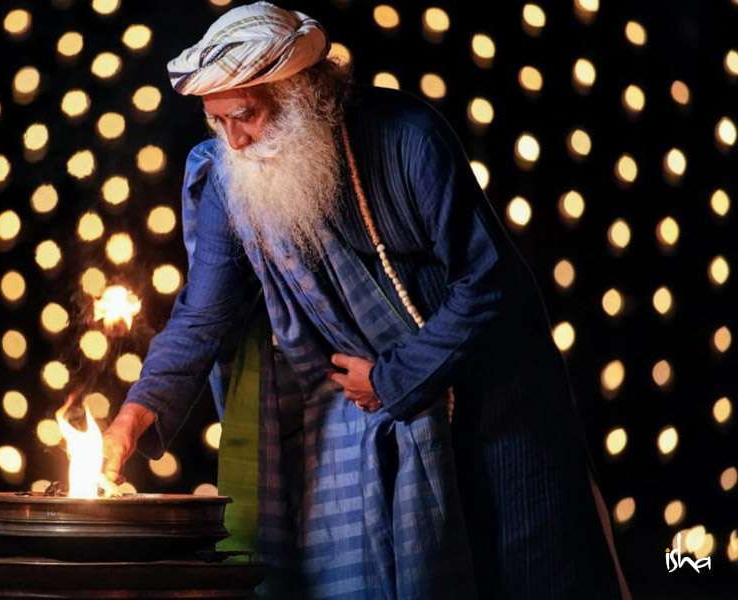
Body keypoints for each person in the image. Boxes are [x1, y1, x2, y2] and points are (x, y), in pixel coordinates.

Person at [101, 2, 630, 598]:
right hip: (369, 416)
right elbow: (205, 314)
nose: (234, 140)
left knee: (528, 574)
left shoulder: (408, 137)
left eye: (245, 115)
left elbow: (491, 283)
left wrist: (394, 376)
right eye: (216, 121)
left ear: (298, 93)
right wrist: (134, 415)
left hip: (493, 403)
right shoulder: (232, 175)